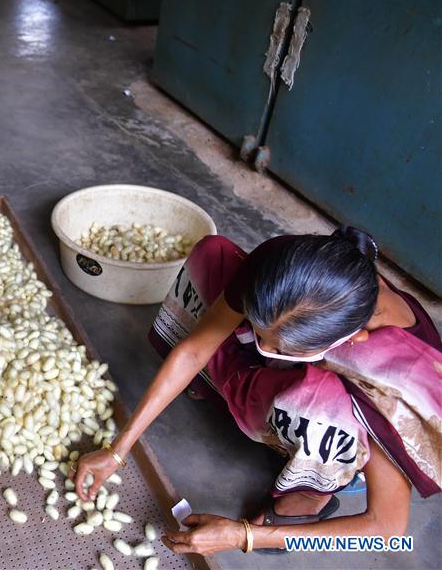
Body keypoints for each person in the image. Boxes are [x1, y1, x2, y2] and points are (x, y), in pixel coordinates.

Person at [72, 228, 441, 554]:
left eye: (280, 349)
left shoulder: (392, 379)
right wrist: (118, 449)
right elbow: (196, 348)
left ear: (351, 341)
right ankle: (231, 385)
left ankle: (308, 499)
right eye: (260, 336)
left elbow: (389, 532)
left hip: (352, 427)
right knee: (213, 258)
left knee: (318, 403)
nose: (264, 348)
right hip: (309, 354)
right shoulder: (281, 266)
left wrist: (244, 536)